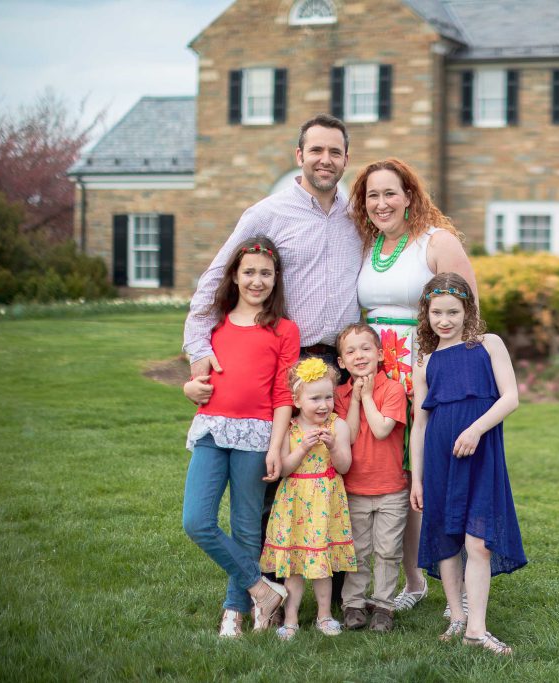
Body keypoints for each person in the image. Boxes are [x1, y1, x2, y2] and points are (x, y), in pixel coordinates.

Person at [183, 113, 361, 601]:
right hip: (284, 360)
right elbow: (215, 281)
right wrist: (199, 356)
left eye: (336, 151)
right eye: (316, 150)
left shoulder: (356, 215)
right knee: (275, 473)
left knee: (335, 468)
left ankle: (335, 593)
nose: (326, 159)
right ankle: (269, 587)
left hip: (338, 363)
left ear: (346, 159)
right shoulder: (268, 213)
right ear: (299, 156)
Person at [348, 157, 478, 613]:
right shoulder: (366, 246)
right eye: (372, 195)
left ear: (409, 196)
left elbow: (470, 310)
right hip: (378, 376)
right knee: (393, 481)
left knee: (437, 480)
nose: (381, 203)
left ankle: (459, 587)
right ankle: (415, 582)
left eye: (390, 193)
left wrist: (461, 379)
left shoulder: (435, 241)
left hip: (427, 368)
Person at [181, 236, 297, 638]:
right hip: (212, 427)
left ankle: (235, 612)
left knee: (247, 526)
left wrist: (276, 445)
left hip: (257, 433)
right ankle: (262, 589)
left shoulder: (284, 330)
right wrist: (187, 389)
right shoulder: (214, 323)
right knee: (197, 521)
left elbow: (284, 394)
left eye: (265, 273)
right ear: (235, 274)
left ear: (276, 278)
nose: (256, 280)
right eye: (249, 272)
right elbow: (198, 378)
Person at [409, 273, 527, 656]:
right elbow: (419, 424)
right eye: (436, 312)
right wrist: (417, 479)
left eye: (453, 312)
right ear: (425, 314)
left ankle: (477, 629)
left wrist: (476, 430)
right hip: (440, 456)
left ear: (468, 311)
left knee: (479, 543)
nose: (444, 320)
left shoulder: (487, 345)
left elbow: (510, 398)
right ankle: (458, 618)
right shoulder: (426, 360)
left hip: (480, 452)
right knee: (446, 538)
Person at [260, 357, 355, 639]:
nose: (324, 405)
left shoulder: (338, 426)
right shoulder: (289, 429)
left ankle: (324, 616)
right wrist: (301, 448)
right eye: (315, 398)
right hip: (295, 504)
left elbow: (345, 466)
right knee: (294, 565)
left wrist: (334, 446)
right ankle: (290, 619)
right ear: (297, 400)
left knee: (321, 565)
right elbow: (284, 470)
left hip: (326, 504)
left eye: (329, 397)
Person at [333, 324, 409, 633]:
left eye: (365, 348)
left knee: (388, 551)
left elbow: (380, 430)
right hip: (355, 487)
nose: (358, 355)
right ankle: (353, 603)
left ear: (379, 354)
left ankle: (383, 605)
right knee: (358, 551)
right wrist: (353, 399)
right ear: (341, 362)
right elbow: (348, 437)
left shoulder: (393, 389)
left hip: (391, 487)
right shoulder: (339, 395)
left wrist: (365, 398)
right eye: (350, 351)